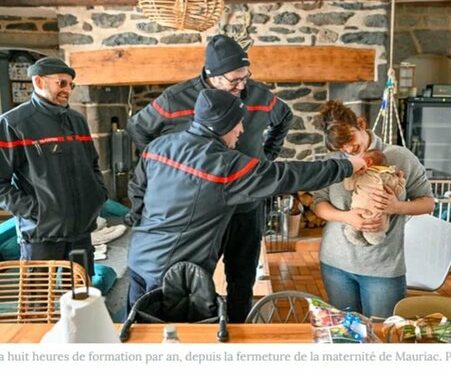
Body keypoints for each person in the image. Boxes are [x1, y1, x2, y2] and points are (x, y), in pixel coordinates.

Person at [126, 89, 366, 311]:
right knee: (177, 343)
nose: (241, 130)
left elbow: (137, 190)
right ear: (223, 125)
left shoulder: (158, 146)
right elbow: (287, 175)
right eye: (238, 122)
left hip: (139, 259)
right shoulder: (223, 165)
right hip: (176, 276)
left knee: (136, 334)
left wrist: (141, 223)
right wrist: (347, 165)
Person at [126, 34, 293, 322]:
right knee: (196, 279)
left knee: (243, 275)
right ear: (212, 75)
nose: (242, 86)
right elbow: (137, 128)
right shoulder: (175, 99)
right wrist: (168, 164)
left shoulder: (259, 96)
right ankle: (205, 331)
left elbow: (285, 117)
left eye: (245, 76)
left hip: (246, 204)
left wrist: (267, 155)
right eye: (234, 80)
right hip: (201, 211)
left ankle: (239, 330)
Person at [0, 57, 108, 275]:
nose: (68, 90)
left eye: (71, 85)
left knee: (81, 302)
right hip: (41, 237)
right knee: (37, 305)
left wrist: (98, 195)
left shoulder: (77, 121)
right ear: (38, 82)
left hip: (81, 234)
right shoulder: (13, 123)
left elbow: (92, 163)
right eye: (61, 83)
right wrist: (36, 211)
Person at [312, 100, 435, 318]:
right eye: (340, 146)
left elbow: (428, 203)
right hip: (335, 264)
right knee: (346, 337)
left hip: (383, 268)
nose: (348, 149)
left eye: (349, 139)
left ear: (361, 124)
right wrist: (347, 217)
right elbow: (318, 203)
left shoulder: (401, 157)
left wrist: (396, 207)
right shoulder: (333, 162)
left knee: (382, 338)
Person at [343, 149, 405, 246]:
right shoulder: (389, 176)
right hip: (377, 218)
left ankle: (362, 239)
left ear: (368, 162)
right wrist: (400, 180)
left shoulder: (361, 174)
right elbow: (397, 191)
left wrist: (352, 172)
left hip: (358, 212)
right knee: (375, 235)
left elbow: (348, 186)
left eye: (360, 159)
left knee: (351, 232)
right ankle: (373, 238)